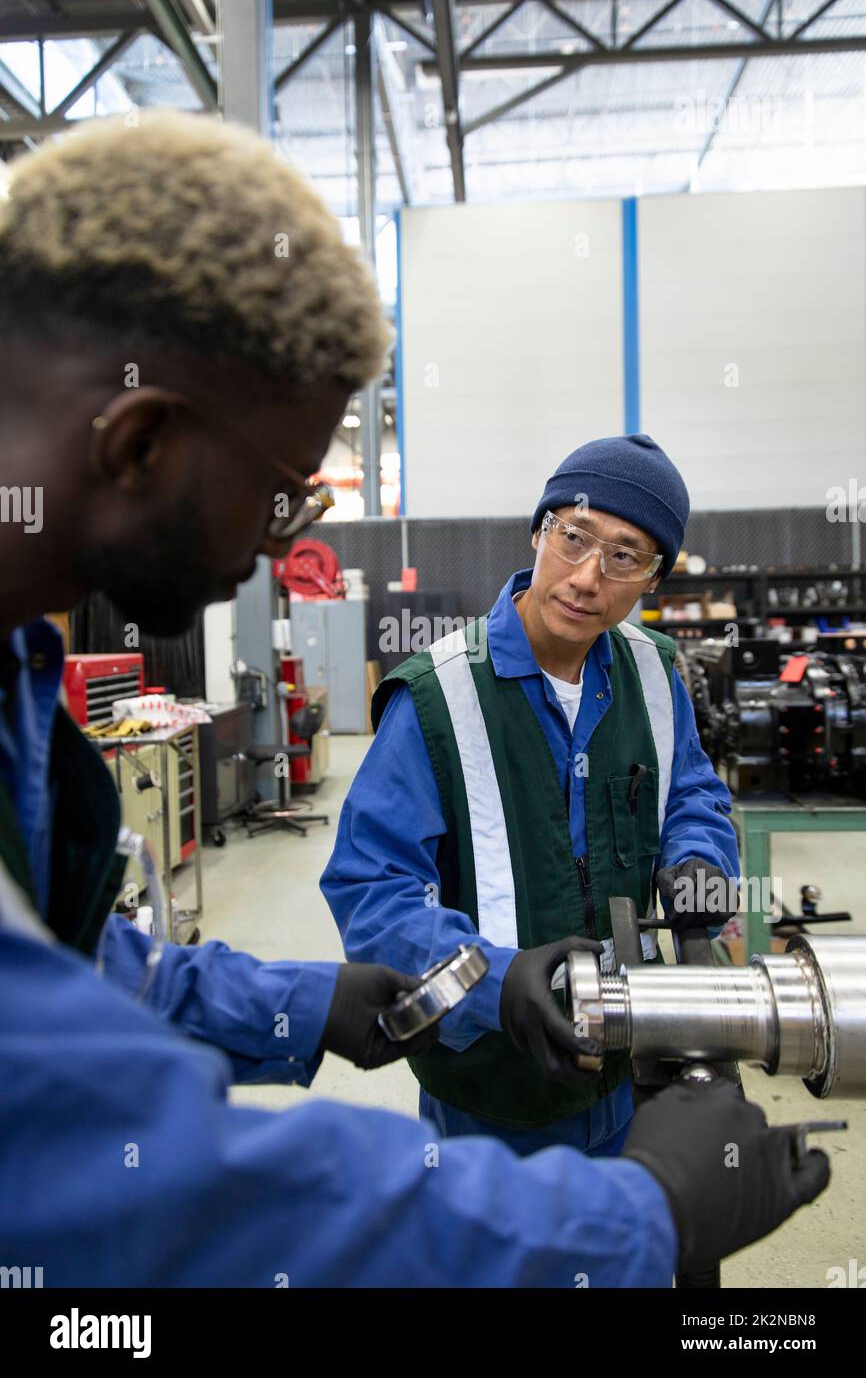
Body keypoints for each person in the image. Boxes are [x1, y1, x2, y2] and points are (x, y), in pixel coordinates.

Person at [0, 110, 827, 1287]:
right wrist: (639, 1217)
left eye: (627, 556)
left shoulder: (21, 685)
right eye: (285, 495)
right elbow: (138, 1184)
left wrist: (305, 1001)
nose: (278, 551)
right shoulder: (433, 696)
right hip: (504, 1093)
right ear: (141, 443)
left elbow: (73, 970)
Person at [321, 437, 742, 1153]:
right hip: (488, 1089)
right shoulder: (437, 696)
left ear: (652, 578)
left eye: (623, 556)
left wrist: (700, 855)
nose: (585, 578)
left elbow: (690, 790)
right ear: (539, 531)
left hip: (621, 1066)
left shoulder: (654, 674)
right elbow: (373, 890)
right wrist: (496, 983)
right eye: (573, 537)